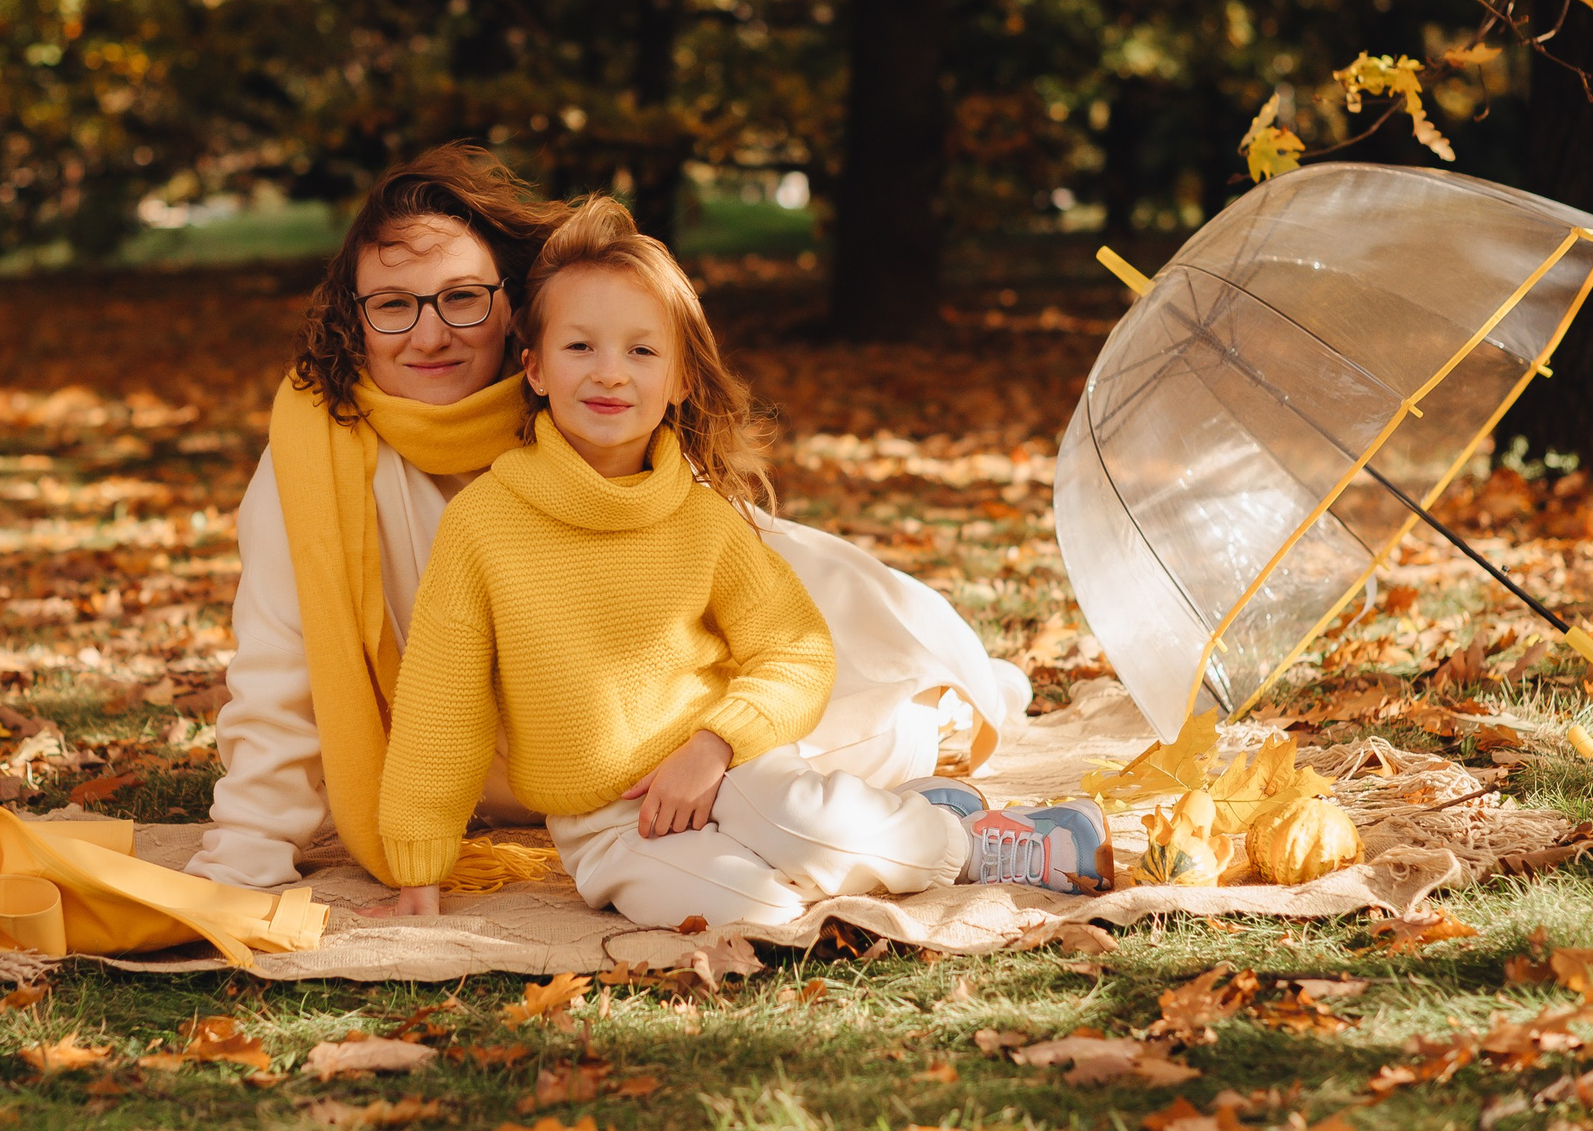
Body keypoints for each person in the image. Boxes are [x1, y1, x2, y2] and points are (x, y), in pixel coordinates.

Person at [186, 144, 1032, 895]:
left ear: (512, 311)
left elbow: (706, 585)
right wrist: (245, 851)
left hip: (685, 691)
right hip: (541, 763)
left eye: (462, 298)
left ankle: (939, 773)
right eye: (394, 305)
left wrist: (715, 740)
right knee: (758, 829)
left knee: (861, 731)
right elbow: (281, 672)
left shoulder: (589, 392)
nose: (431, 333)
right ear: (356, 320)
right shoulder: (315, 461)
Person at [375, 199, 1110, 926]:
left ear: (680, 379)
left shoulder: (701, 516)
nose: (610, 374)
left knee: (805, 825)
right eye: (579, 348)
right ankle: (894, 826)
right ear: (533, 369)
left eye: (641, 350)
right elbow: (442, 705)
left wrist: (714, 743)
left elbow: (796, 651)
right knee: (756, 909)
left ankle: (963, 839)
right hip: (606, 822)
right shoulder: (484, 524)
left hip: (730, 768)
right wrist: (419, 869)